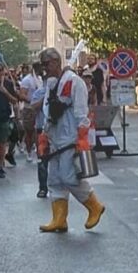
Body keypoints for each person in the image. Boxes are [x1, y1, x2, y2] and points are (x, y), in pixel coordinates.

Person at [37, 48, 105, 233]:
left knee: (70, 177)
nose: (45, 69)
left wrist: (82, 139)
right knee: (54, 180)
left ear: (56, 62)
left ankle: (94, 206)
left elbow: (81, 113)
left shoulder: (75, 82)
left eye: (47, 64)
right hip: (55, 139)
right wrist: (44, 136)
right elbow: (47, 113)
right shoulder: (51, 85)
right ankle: (59, 219)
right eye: (42, 65)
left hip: (70, 138)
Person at [20, 62, 44, 162]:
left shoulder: (41, 80)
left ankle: (39, 152)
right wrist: (32, 101)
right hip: (29, 109)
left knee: (38, 131)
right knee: (29, 132)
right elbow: (22, 95)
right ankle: (29, 151)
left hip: (40, 110)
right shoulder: (27, 80)